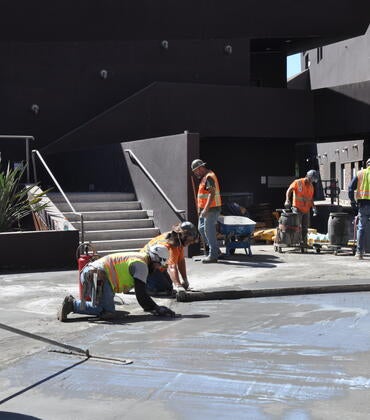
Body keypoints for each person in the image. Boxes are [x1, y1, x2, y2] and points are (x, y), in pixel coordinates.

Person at [57, 244, 176, 321]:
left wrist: (151, 308)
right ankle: (72, 304)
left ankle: (79, 304)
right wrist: (157, 308)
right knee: (107, 312)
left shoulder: (140, 258)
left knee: (108, 310)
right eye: (158, 265)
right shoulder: (141, 265)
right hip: (96, 276)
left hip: (93, 274)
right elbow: (141, 295)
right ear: (155, 258)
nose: (157, 269)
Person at [141, 221, 199, 294]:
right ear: (183, 236)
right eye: (190, 240)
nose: (190, 243)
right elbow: (172, 266)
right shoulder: (170, 243)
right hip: (145, 266)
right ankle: (142, 286)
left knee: (169, 286)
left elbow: (180, 261)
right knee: (162, 288)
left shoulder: (178, 241)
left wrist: (185, 280)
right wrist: (178, 286)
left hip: (156, 265)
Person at [191, 159, 222, 263]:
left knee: (208, 231)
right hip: (205, 209)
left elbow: (211, 194)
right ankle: (216, 251)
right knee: (201, 229)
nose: (195, 174)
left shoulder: (209, 177)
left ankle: (213, 255)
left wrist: (206, 208)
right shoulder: (205, 177)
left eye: (196, 171)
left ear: (200, 168)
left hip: (211, 209)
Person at [284, 170, 319, 247]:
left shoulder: (311, 187)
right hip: (297, 208)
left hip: (306, 209)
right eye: (311, 180)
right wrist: (287, 199)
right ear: (308, 177)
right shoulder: (298, 182)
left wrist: (313, 207)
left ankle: (304, 243)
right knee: (297, 226)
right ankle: (296, 242)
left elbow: (310, 199)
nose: (311, 182)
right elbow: (289, 190)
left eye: (313, 181)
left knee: (305, 227)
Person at [348, 158, 370, 259]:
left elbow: (350, 188)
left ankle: (359, 252)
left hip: (363, 204)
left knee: (361, 227)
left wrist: (352, 201)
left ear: (366, 164)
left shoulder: (360, 173)